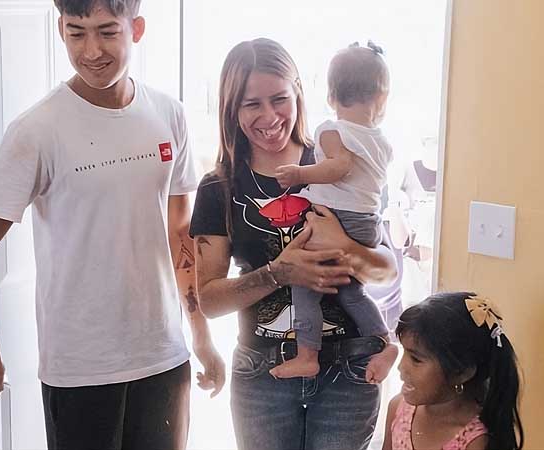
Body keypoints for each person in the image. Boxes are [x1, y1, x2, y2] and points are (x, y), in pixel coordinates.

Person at [0, 1, 225, 449]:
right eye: (77, 33)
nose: (92, 50)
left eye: (106, 32)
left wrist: (201, 336)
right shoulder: (38, 129)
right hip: (80, 367)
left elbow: (180, 234)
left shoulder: (168, 114)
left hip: (163, 358)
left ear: (135, 29)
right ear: (61, 29)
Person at [190, 38, 398, 450]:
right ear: (231, 108)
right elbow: (210, 301)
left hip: (351, 369)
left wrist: (345, 246)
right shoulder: (218, 187)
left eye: (279, 99)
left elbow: (386, 270)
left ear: (300, 92)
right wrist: (278, 272)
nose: (269, 116)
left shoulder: (336, 160)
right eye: (252, 104)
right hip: (262, 373)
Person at [269, 41, 399, 380]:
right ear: (381, 98)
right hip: (366, 223)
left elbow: (338, 167)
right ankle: (384, 340)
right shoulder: (381, 141)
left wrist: (300, 174)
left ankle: (307, 354)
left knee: (304, 282)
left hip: (338, 218)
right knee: (351, 290)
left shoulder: (332, 131)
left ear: (331, 96)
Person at [383, 292, 524, 450]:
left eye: (416, 359)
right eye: (404, 353)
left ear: (461, 373)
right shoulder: (398, 408)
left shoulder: (476, 441)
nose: (401, 367)